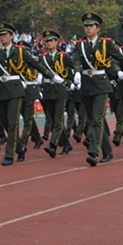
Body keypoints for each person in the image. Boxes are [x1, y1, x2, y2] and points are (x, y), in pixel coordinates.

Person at [73, 13, 123, 167]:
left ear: (98, 28)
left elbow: (121, 58)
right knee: (95, 120)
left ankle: (94, 152)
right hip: (86, 86)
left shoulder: (106, 44)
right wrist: (77, 72)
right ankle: (108, 150)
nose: (88, 28)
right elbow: (76, 60)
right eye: (86, 26)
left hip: (101, 85)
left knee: (97, 119)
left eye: (91, 26)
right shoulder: (80, 45)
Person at [0, 23, 59, 166]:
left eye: (5, 35)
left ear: (12, 36)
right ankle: (20, 147)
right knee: (4, 122)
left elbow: (35, 64)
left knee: (12, 123)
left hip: (16, 90)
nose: (2, 37)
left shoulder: (20, 52)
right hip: (1, 90)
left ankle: (9, 155)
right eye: (0, 35)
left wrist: (51, 75)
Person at [39, 30, 78, 158]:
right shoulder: (42, 58)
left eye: (51, 41)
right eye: (47, 41)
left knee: (58, 120)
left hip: (60, 90)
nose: (49, 43)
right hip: (48, 91)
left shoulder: (63, 57)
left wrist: (71, 81)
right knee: (53, 118)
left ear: (56, 42)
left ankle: (53, 145)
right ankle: (66, 144)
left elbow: (74, 67)